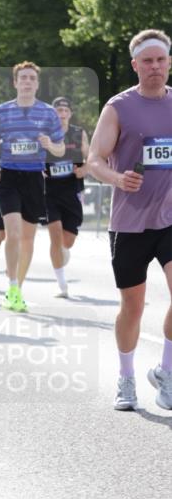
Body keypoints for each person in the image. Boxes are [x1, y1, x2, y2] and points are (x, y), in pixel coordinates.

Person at [87, 29, 172, 412]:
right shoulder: (119, 107)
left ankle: (167, 371)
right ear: (136, 65)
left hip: (170, 218)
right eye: (148, 61)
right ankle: (125, 376)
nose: (155, 67)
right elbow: (93, 161)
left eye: (161, 60)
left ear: (168, 62)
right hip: (130, 223)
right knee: (133, 306)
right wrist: (119, 178)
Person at [0, 62, 65, 312]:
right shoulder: (2, 111)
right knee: (13, 232)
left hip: (34, 177)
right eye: (23, 78)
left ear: (37, 83)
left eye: (32, 78)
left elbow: (61, 148)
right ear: (15, 82)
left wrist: (48, 144)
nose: (27, 82)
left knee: (28, 238)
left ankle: (17, 288)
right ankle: (11, 285)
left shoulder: (48, 113)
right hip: (9, 176)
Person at [43, 97, 90, 298]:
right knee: (54, 234)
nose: (61, 114)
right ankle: (62, 284)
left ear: (70, 114)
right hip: (49, 192)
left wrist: (84, 170)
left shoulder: (79, 134)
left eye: (65, 110)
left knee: (67, 240)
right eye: (58, 110)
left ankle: (62, 251)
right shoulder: (44, 135)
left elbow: (90, 159)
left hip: (72, 191)